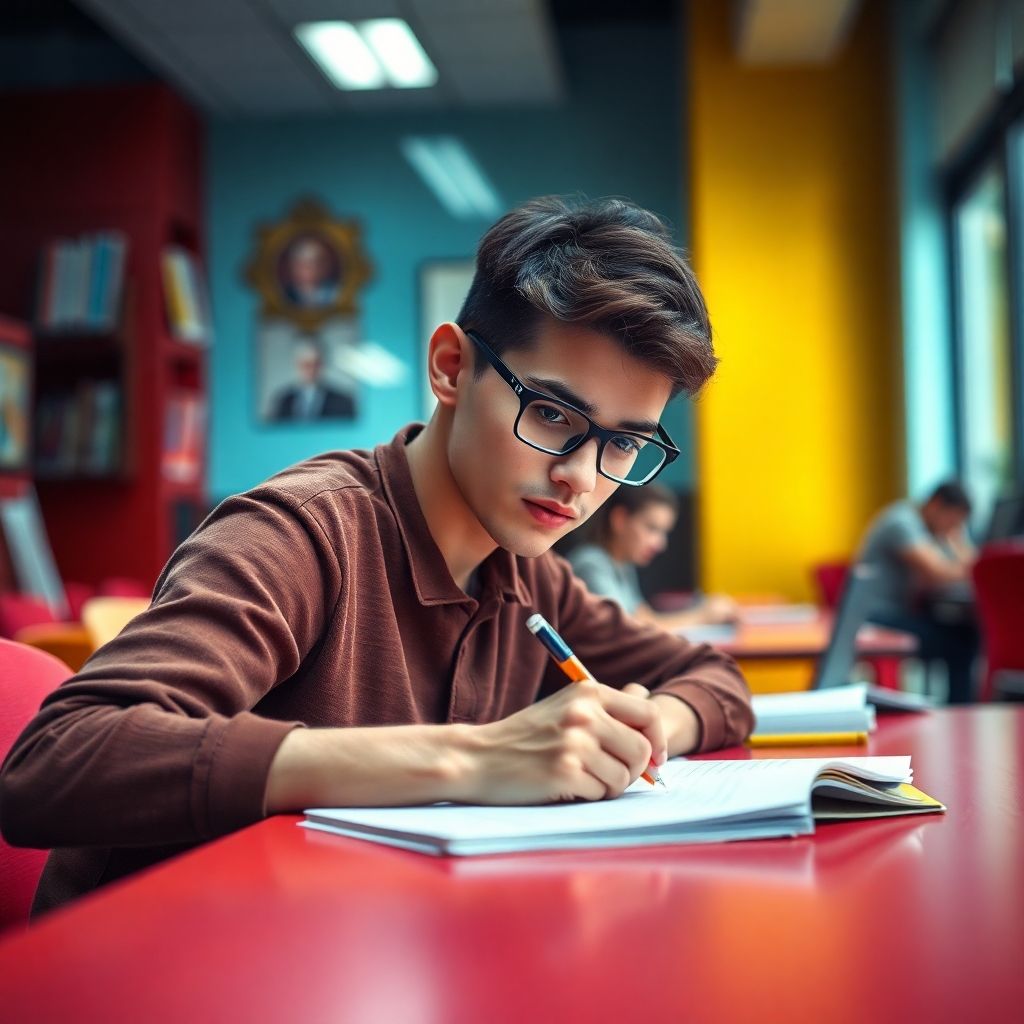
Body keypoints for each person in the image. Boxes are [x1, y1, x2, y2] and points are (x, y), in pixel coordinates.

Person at [0, 196, 753, 916]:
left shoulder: (528, 576)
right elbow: (58, 760)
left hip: (358, 947)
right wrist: (468, 760)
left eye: (623, 443)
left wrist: (647, 727)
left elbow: (715, 681)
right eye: (552, 414)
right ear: (452, 368)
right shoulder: (303, 534)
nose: (582, 478)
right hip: (159, 972)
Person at [856, 481, 979, 703]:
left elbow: (961, 569)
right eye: (952, 520)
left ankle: (957, 708)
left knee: (961, 633)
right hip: (875, 619)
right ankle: (959, 710)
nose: (952, 528)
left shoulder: (925, 527)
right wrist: (956, 540)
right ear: (936, 504)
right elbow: (940, 573)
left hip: (894, 615)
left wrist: (957, 541)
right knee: (962, 641)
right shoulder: (902, 522)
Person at [568, 484, 738, 629]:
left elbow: (645, 618)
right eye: (652, 528)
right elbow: (629, 630)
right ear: (619, 519)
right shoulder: (591, 564)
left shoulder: (621, 564)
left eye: (663, 532)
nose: (660, 544)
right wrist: (703, 616)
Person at [269, 338, 355, 421]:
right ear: (296, 365)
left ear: (323, 365)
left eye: (316, 364)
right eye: (306, 365)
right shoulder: (283, 401)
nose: (311, 370)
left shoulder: (341, 401)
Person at [280, 235, 339, 308]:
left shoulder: (336, 291)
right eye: (307, 264)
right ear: (295, 267)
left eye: (318, 263)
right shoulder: (285, 294)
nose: (314, 269)